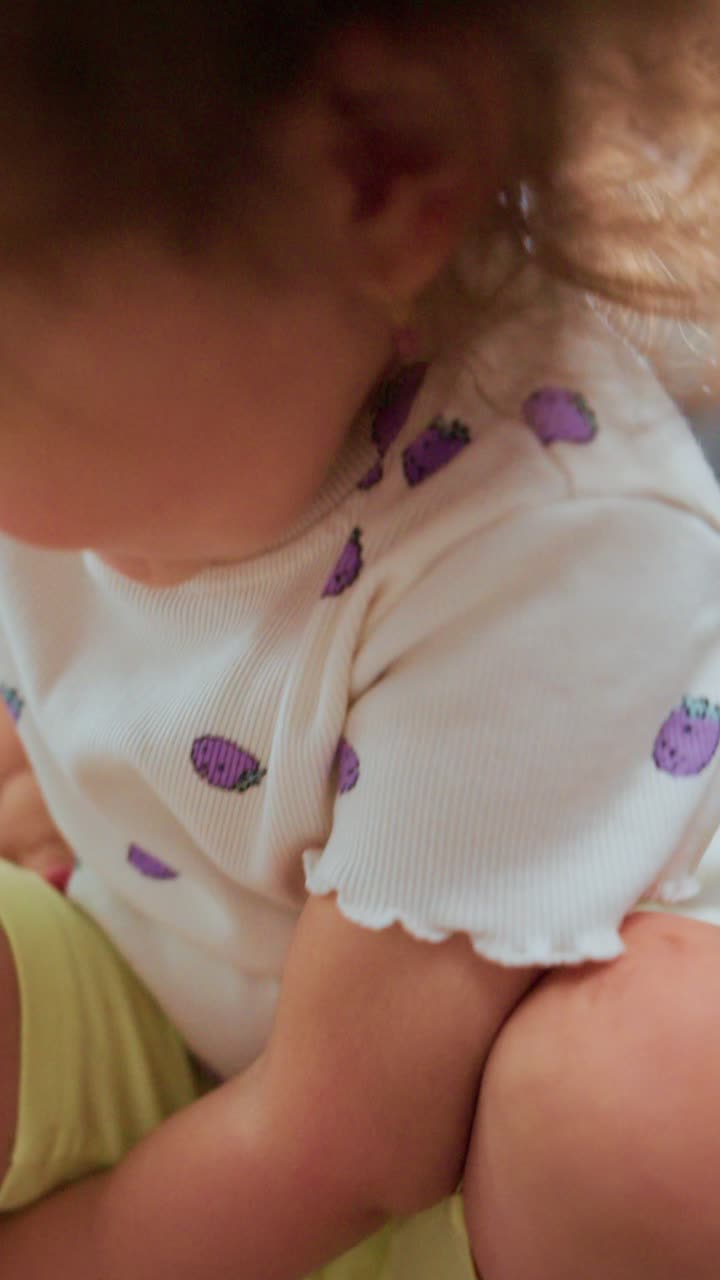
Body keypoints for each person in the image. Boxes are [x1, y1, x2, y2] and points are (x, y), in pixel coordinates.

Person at [0, 2, 718, 1277]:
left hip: (454, 1173)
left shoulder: (550, 548)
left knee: (649, 1097)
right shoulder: (148, 399)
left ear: (383, 172)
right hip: (186, 1008)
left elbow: (345, 1143)